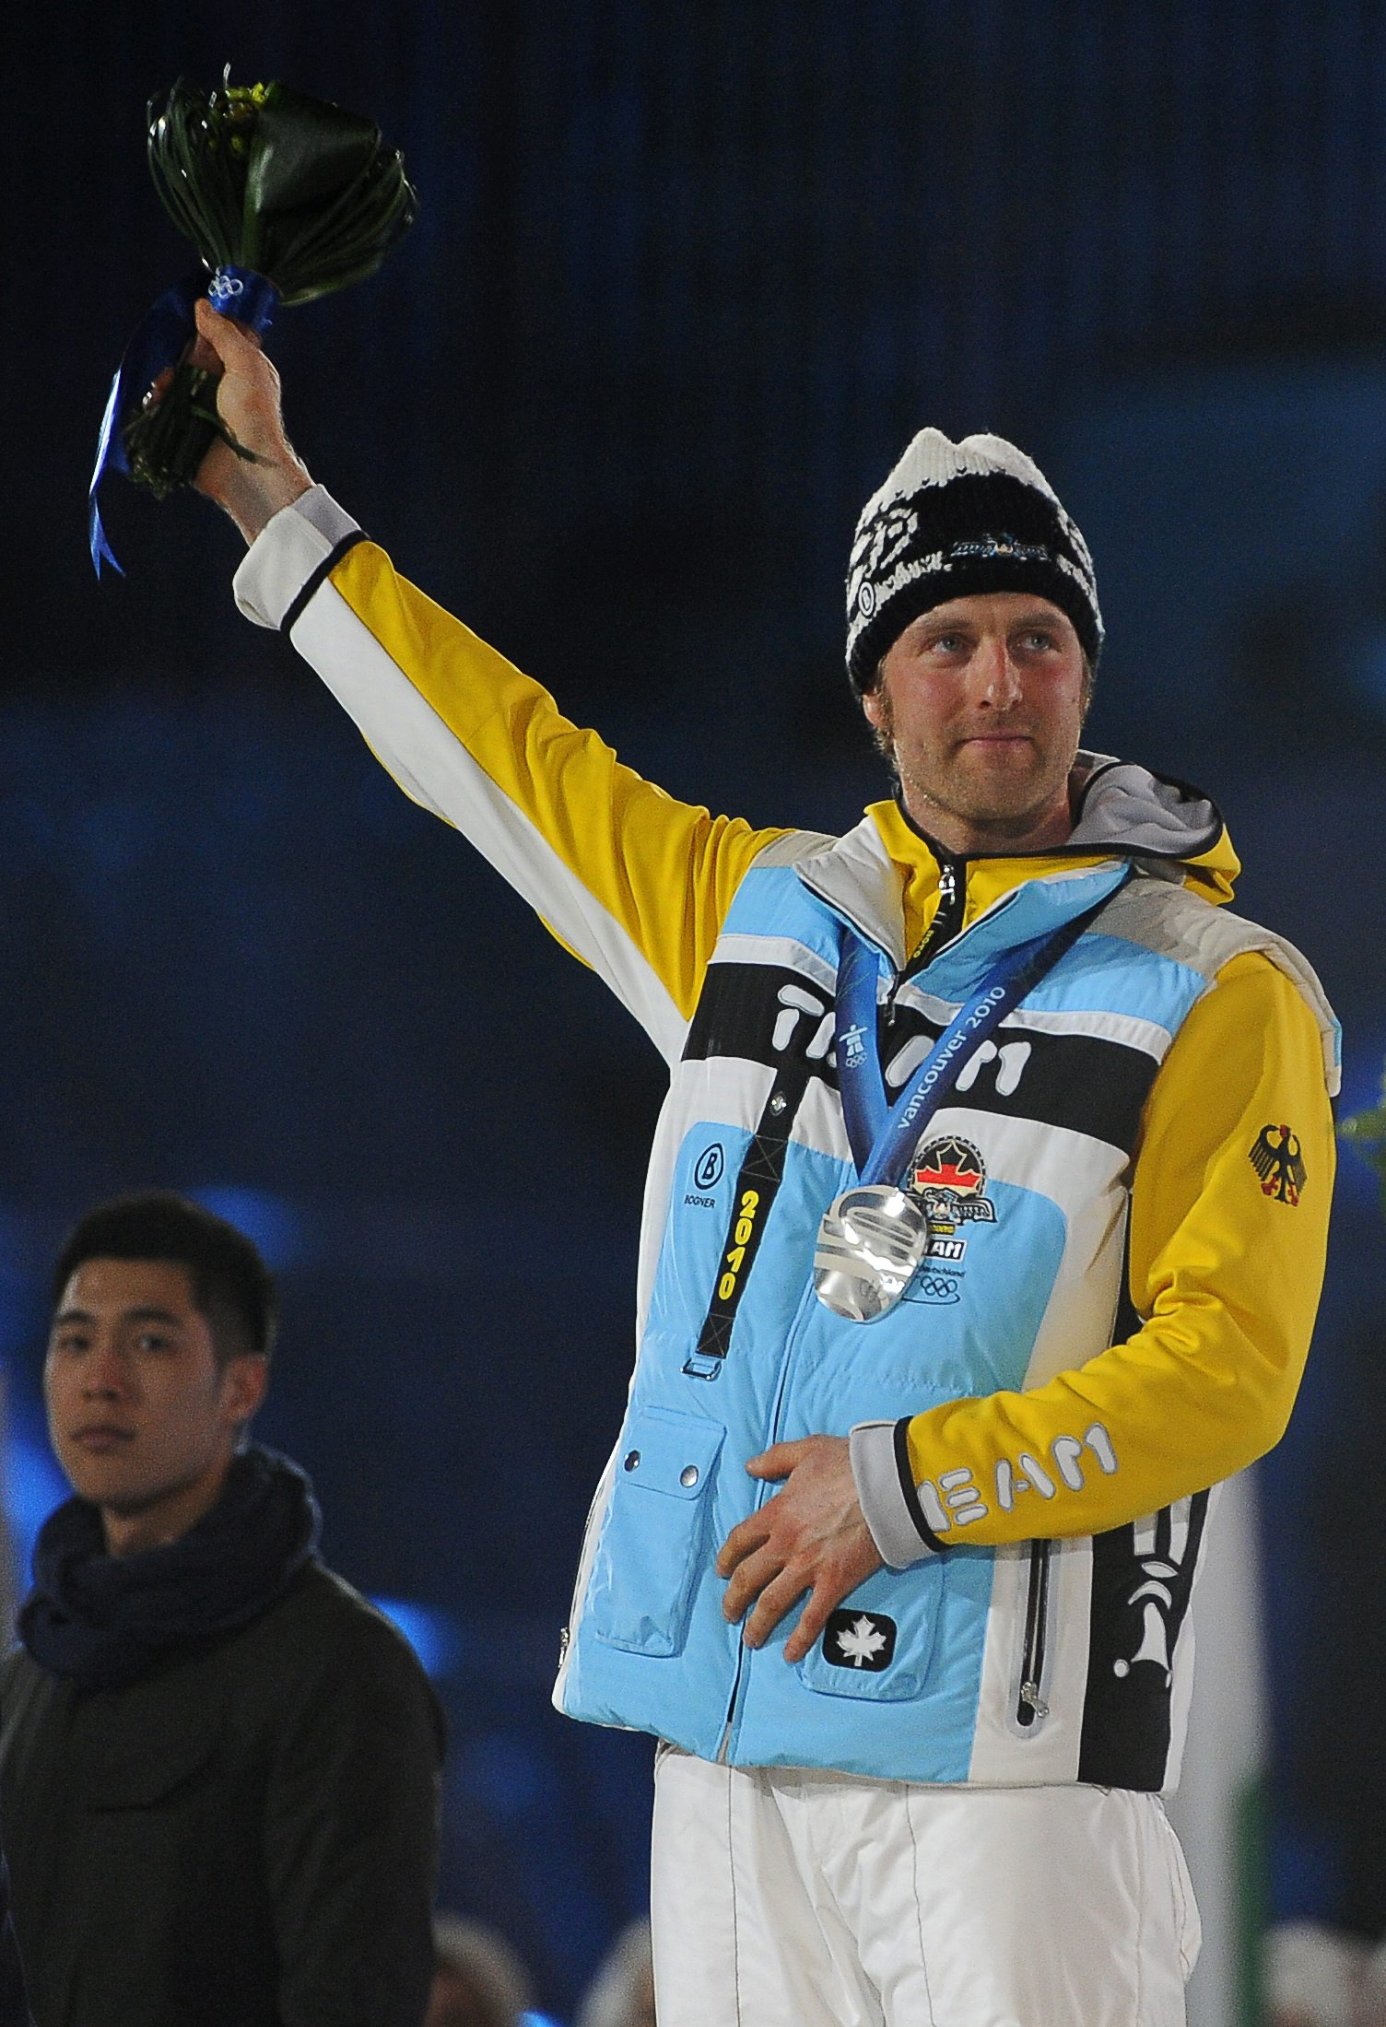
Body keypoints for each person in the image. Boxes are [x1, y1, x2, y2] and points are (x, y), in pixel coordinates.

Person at [184, 299, 1338, 2027]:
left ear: (1089, 670)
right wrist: (275, 507)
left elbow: (1226, 1377)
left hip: (1000, 1786)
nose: (999, 677)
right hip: (724, 1745)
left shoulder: (1208, 984)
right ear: (876, 689)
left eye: (1039, 634)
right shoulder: (755, 916)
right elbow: (501, 762)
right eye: (948, 637)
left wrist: (899, 1486)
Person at [0, 1191, 445, 2027]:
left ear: (242, 1386)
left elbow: (352, 1992)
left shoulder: (336, 1666)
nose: (101, 1379)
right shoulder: (32, 1680)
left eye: (150, 1341)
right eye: (74, 1341)